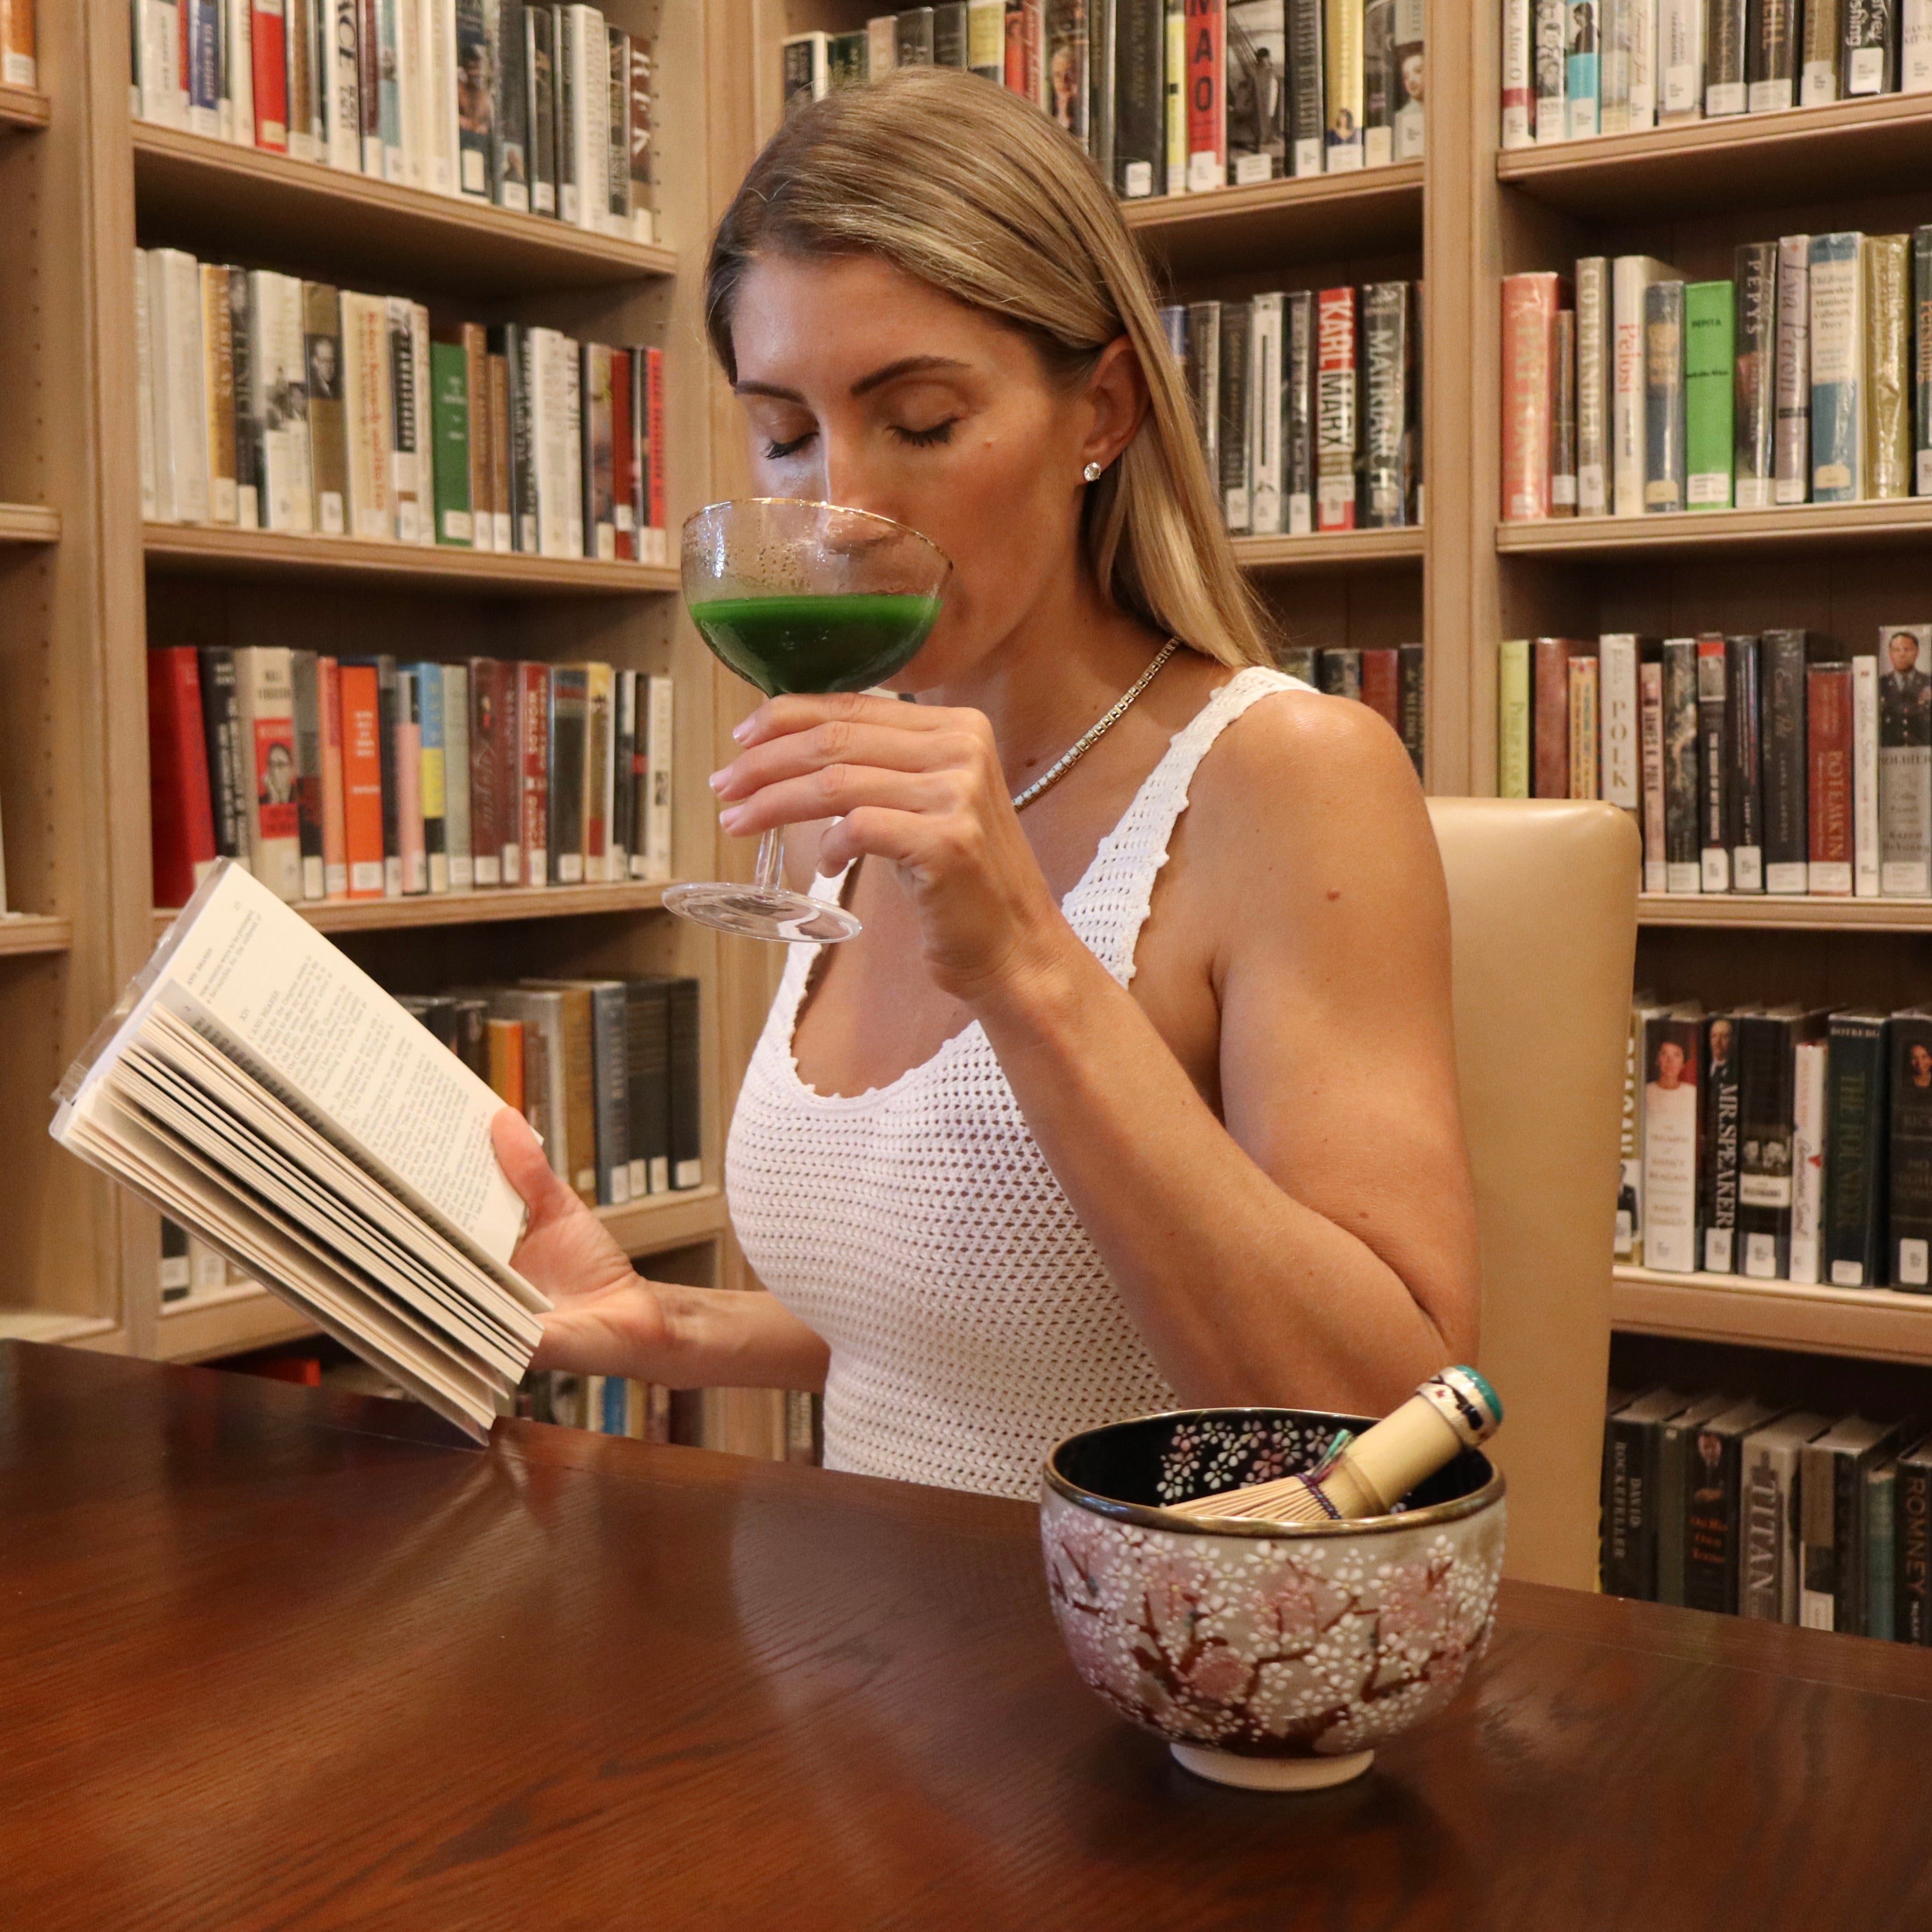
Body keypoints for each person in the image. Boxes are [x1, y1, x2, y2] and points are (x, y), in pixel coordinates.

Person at [491, 68, 1479, 1499]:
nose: (843, 509)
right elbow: (990, 1327)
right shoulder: (861, 787)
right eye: (785, 434)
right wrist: (677, 1323)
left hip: (1127, 1672)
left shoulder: (1285, 774)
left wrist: (1027, 959)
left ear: (1103, 411)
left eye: (924, 420)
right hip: (852, 1654)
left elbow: (1390, 1416)